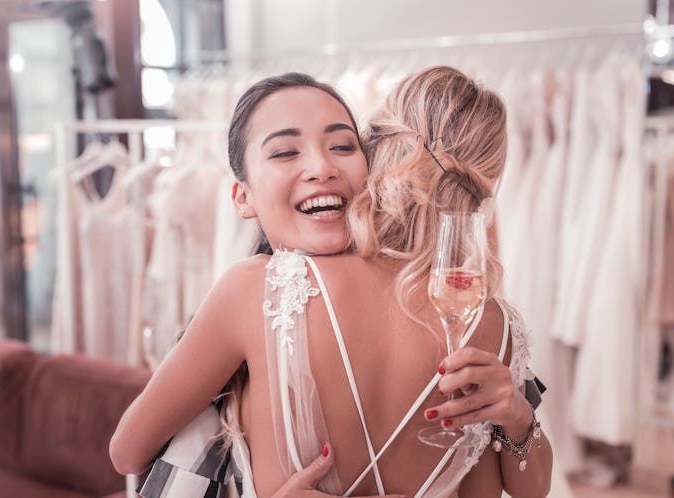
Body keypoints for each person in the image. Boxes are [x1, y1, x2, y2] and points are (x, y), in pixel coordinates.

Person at [111, 67, 552, 497]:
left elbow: (127, 453)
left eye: (343, 145)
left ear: (378, 159)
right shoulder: (495, 326)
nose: (320, 167)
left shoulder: (255, 291)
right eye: (285, 152)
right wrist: (519, 416)